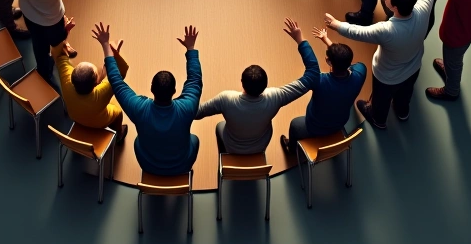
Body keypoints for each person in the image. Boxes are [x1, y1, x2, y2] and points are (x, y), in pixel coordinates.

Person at [326, 0, 434, 129]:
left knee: (381, 100)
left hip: (387, 76)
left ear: (395, 8)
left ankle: (378, 119)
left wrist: (336, 25)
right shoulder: (423, 10)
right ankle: (402, 112)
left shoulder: (387, 30)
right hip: (413, 67)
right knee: (405, 93)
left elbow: (359, 32)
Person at [195, 17, 319, 155]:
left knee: (220, 126)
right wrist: (300, 40)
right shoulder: (275, 97)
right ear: (265, 85)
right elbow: (313, 76)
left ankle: (225, 157)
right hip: (260, 147)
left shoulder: (226, 99)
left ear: (241, 82)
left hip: (232, 147)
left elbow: (197, 112)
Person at [104, 24, 203, 176]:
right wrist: (191, 49)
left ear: (151, 89)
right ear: (174, 91)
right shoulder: (187, 107)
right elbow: (195, 80)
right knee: (194, 139)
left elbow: (116, 83)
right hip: (181, 165)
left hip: (148, 164)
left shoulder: (139, 108)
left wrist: (106, 47)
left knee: (137, 141)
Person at [279, 27, 367, 154]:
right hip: (340, 123)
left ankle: (291, 150)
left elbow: (312, 65)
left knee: (295, 125)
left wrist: (299, 39)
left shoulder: (320, 81)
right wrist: (327, 41)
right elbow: (348, 64)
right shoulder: (360, 73)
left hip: (314, 126)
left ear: (328, 62)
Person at [52, 18, 129, 132]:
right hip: (98, 122)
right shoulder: (100, 94)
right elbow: (120, 74)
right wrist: (113, 53)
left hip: (74, 115)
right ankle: (119, 133)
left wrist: (65, 33)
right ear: (96, 84)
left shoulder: (67, 79)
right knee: (117, 112)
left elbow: (57, 53)